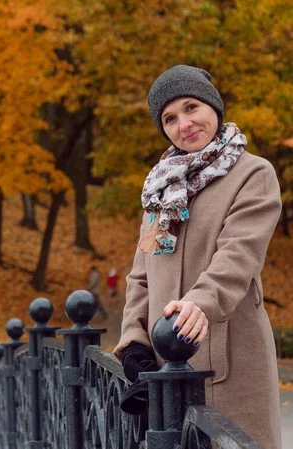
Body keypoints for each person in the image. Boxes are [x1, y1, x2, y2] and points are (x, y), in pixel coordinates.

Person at [113, 65, 282, 449]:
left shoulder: (253, 174)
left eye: (192, 108)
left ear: (213, 108)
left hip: (230, 362)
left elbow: (238, 256)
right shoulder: (160, 189)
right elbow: (142, 275)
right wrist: (135, 341)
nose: (184, 124)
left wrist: (199, 304)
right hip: (164, 370)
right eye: (170, 118)